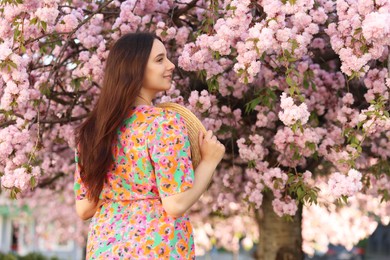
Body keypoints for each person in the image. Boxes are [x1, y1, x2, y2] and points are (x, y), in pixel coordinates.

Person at [74, 32, 225, 259]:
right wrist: (210, 160)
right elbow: (175, 204)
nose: (171, 65)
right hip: (156, 247)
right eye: (159, 59)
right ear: (134, 68)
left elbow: (84, 208)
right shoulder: (163, 123)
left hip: (104, 247)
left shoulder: (93, 131)